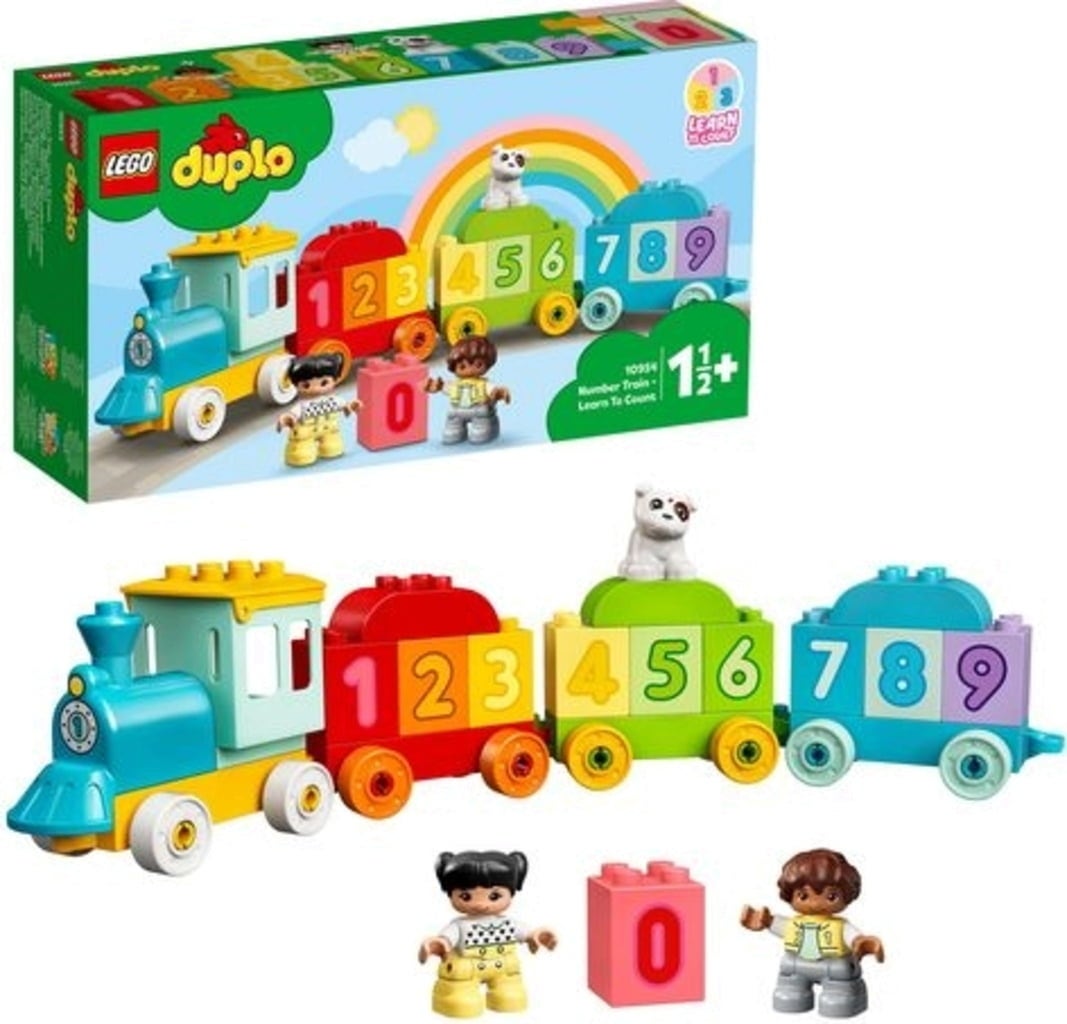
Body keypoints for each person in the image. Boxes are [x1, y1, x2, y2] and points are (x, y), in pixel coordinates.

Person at [740, 849, 884, 1018]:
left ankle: (842, 997)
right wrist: (766, 921)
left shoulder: (841, 926)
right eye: (803, 895)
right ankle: (793, 991)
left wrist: (861, 942)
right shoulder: (794, 924)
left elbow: (854, 937)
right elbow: (779, 926)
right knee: (789, 991)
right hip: (796, 966)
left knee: (839, 997)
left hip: (834, 967)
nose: (815, 903)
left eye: (831, 896)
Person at [419, 850, 556, 1017]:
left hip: (504, 968)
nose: (480, 904)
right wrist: (440, 944)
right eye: (466, 896)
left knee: (511, 995)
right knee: (460, 999)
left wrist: (535, 936)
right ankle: (457, 995)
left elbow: (526, 933)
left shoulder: (508, 923)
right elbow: (447, 939)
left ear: (511, 893)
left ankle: (505, 991)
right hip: (466, 969)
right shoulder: (459, 925)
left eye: (494, 896)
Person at [276, 352, 360, 467]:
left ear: (335, 380)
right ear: (296, 385)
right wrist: (287, 419)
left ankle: (329, 447)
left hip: (329, 430)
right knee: (302, 455)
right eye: (306, 385)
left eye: (324, 383)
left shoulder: (334, 400)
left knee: (333, 447)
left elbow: (344, 406)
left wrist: (351, 407)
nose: (315, 389)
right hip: (305, 434)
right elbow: (293, 415)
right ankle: (301, 453)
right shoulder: (301, 406)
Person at [425, 336, 510, 445]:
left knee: (479, 434)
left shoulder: (484, 384)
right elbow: (446, 388)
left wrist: (498, 393)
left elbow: (492, 390)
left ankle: (488, 427)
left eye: (478, 364)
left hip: (479, 411)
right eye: (462, 366)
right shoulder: (454, 384)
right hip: (456, 411)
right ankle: (456, 431)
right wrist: (438, 386)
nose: (469, 370)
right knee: (451, 432)